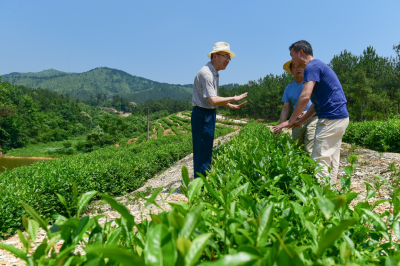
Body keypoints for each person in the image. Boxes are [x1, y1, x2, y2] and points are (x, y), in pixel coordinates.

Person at [273, 40, 349, 187]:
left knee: (319, 159)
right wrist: (300, 121)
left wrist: (290, 121)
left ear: (300, 52)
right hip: (340, 117)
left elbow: (305, 97)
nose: (291, 60)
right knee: (331, 158)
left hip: (330, 117)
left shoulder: (311, 66)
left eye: (292, 55)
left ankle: (319, 203)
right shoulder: (318, 66)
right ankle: (330, 193)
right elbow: (315, 104)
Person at [191, 42, 248, 179]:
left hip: (208, 113)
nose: (228, 61)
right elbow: (213, 100)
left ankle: (203, 182)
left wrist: (229, 105)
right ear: (215, 56)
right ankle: (201, 185)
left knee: (206, 150)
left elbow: (213, 98)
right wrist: (234, 98)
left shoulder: (213, 73)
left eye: (229, 58)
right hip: (202, 114)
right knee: (202, 150)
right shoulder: (207, 74)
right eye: (225, 56)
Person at [277, 60, 317, 155]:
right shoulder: (289, 88)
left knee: (309, 148)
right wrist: (279, 127)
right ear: (291, 71)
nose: (298, 69)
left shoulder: (312, 83)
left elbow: (319, 102)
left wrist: (307, 112)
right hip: (296, 121)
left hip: (313, 118)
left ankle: (311, 169)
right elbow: (285, 109)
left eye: (300, 66)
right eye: (294, 67)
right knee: (297, 148)